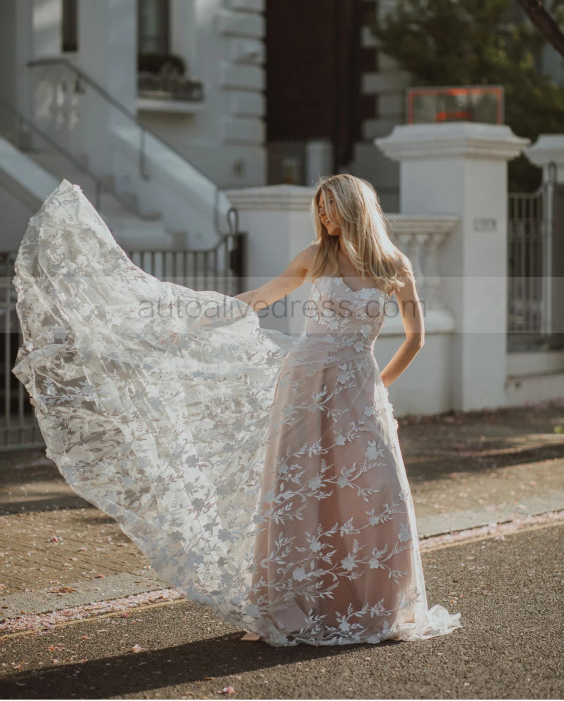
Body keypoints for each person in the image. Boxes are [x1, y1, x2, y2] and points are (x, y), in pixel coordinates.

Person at [13, 175, 461, 648]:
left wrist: (377, 388)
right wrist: (193, 324)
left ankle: (379, 607)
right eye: (319, 206)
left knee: (376, 491)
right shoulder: (315, 257)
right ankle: (296, 606)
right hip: (304, 386)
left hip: (360, 393)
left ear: (354, 208)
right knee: (299, 492)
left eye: (330, 206)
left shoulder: (394, 264)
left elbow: (415, 337)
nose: (323, 215)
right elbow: (258, 300)